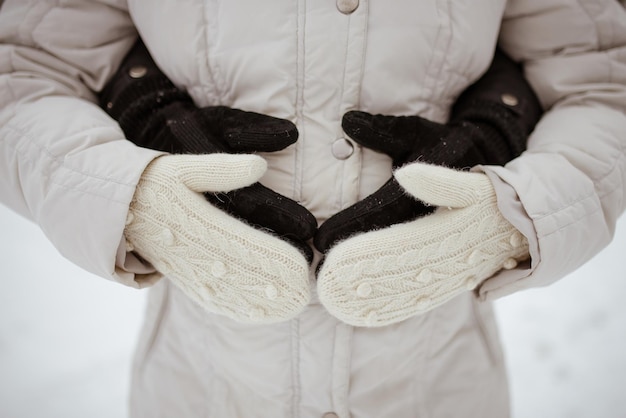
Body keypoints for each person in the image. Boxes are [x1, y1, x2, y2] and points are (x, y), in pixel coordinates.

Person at [0, 1, 624, 417]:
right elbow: (24, 70)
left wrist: (512, 215)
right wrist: (132, 197)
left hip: (440, 381)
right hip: (201, 383)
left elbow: (600, 79)